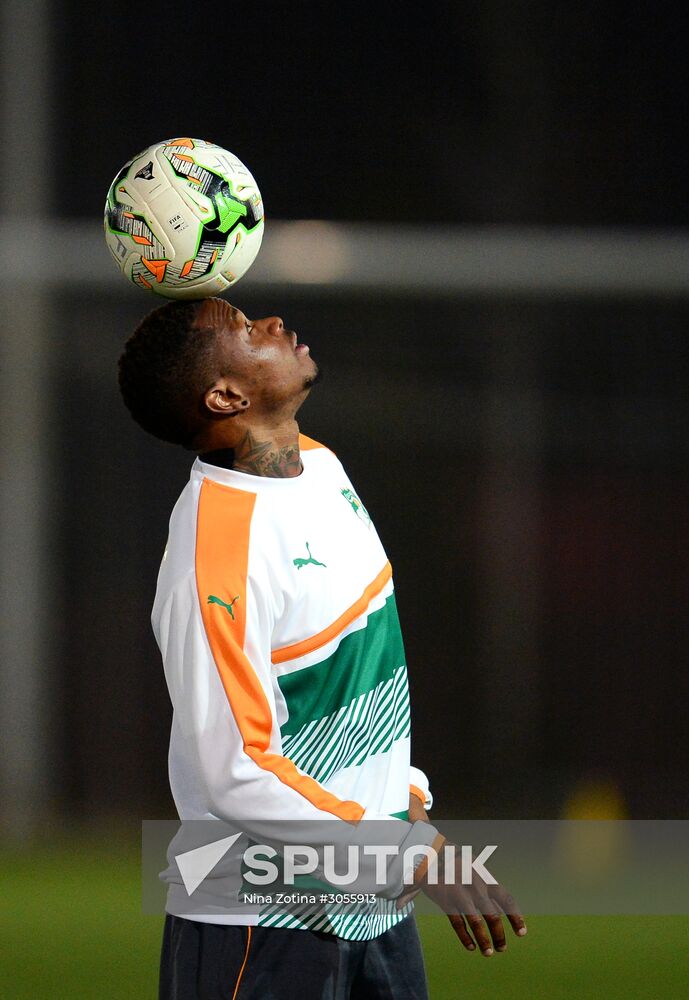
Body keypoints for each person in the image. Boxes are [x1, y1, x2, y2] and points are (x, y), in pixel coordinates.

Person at [118, 297, 526, 1000]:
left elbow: (358, 663)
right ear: (226, 395)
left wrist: (404, 804)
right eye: (248, 333)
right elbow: (235, 769)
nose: (273, 323)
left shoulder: (319, 464)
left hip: (369, 904)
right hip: (257, 921)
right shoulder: (211, 554)